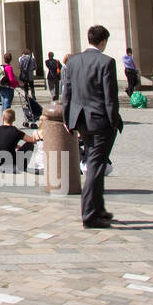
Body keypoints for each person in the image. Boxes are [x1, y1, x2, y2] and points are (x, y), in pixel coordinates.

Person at [61, 24, 124, 228]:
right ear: (103, 41)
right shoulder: (106, 62)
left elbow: (67, 93)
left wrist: (66, 119)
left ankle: (99, 209)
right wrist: (114, 121)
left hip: (80, 120)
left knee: (95, 163)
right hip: (100, 121)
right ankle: (90, 214)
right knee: (95, 167)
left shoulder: (73, 61)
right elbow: (110, 97)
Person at [0, 108, 40, 175]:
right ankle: (22, 166)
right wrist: (37, 134)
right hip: (10, 166)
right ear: (14, 119)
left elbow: (2, 142)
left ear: (3, 118)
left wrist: (15, 145)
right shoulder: (16, 131)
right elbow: (32, 140)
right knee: (30, 144)